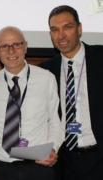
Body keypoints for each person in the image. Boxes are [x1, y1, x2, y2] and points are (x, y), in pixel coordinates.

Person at [0, 26, 63, 180]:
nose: (11, 51)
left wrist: (52, 149)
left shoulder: (46, 79)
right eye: (4, 46)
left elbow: (55, 121)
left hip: (38, 168)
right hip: (0, 169)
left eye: (17, 44)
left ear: (25, 46)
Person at [39, 5, 103, 180]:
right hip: (65, 162)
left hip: (99, 158)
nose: (61, 35)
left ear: (80, 29)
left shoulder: (100, 57)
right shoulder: (45, 70)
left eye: (67, 27)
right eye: (54, 30)